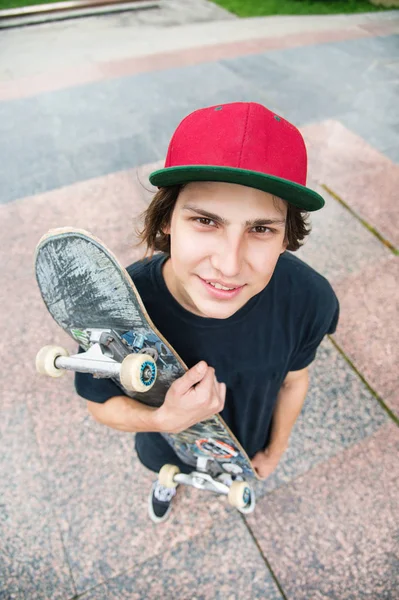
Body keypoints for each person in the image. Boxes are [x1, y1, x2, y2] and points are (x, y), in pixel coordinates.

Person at [75, 102, 339, 523]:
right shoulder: (116, 304)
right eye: (205, 221)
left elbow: (294, 382)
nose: (229, 265)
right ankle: (170, 479)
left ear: (287, 237)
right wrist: (163, 418)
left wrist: (275, 450)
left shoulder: (311, 299)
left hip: (245, 444)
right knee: (168, 468)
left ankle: (234, 480)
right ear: (166, 220)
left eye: (261, 228)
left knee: (238, 474)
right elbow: (100, 403)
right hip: (162, 443)